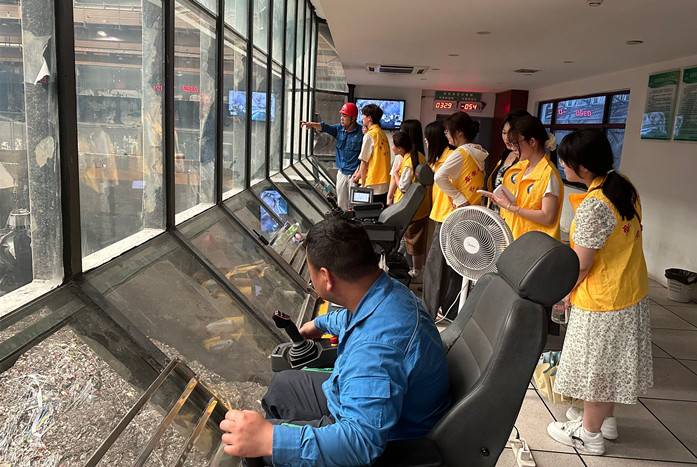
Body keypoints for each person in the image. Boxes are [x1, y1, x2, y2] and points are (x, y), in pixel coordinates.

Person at [219, 216, 450, 466]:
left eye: (311, 274)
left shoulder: (374, 352)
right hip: (357, 399)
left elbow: (361, 443)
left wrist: (270, 440)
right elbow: (356, 316)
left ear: (326, 277)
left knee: (254, 450)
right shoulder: (387, 290)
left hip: (388, 440)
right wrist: (320, 324)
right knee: (282, 386)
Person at [546, 129, 653, 456]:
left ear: (583, 167)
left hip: (603, 301)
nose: (562, 166)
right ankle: (605, 420)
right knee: (610, 362)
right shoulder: (623, 186)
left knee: (597, 367)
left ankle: (589, 435)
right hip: (630, 291)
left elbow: (580, 265)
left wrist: (564, 293)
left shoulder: (595, 205)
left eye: (566, 162)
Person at [422, 113, 486, 319]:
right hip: (468, 217)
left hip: (450, 217)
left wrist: (457, 197)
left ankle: (427, 312)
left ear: (458, 133)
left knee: (436, 266)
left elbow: (439, 177)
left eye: (448, 132)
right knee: (456, 267)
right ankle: (450, 309)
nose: (446, 136)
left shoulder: (461, 153)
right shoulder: (479, 153)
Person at [482, 115, 563, 240]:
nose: (513, 148)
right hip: (519, 238)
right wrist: (504, 202)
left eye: (516, 143)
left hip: (536, 243)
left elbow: (548, 217)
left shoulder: (548, 174)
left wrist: (511, 207)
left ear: (532, 142)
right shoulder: (524, 169)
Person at [301, 103, 363, 210]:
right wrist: (313, 124)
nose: (341, 118)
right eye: (341, 115)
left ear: (353, 118)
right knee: (341, 203)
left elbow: (365, 157)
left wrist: (359, 172)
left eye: (345, 116)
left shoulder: (361, 133)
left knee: (355, 205)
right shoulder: (339, 129)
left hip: (355, 175)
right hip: (342, 172)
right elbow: (325, 127)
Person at [386, 131, 430, 280]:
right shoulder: (418, 155)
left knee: (413, 240)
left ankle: (417, 271)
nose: (392, 147)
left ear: (400, 148)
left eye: (393, 145)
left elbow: (403, 187)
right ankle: (416, 268)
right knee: (412, 239)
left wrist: (396, 173)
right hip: (419, 205)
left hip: (413, 209)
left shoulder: (408, 162)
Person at [485, 110, 531, 213]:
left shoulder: (528, 161)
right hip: (494, 213)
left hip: (512, 215)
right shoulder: (506, 154)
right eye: (504, 132)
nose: (506, 138)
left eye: (510, 133)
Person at [352, 104, 391, 206]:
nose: (362, 118)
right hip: (384, 182)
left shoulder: (370, 135)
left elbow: (364, 162)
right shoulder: (382, 134)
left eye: (363, 115)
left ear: (369, 118)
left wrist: (363, 184)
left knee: (368, 212)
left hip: (372, 183)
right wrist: (358, 174)